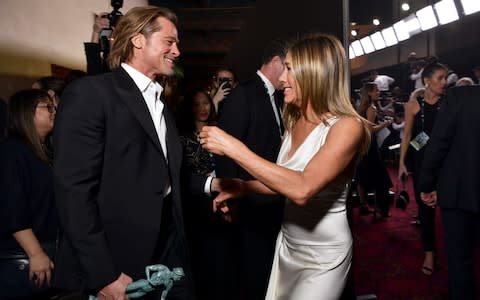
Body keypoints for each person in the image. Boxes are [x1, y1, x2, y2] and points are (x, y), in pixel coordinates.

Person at [53, 6, 220, 299]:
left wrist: (214, 185)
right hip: (116, 262)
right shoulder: (91, 93)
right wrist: (103, 274)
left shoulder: (161, 105)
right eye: (169, 41)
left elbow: (164, 176)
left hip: (167, 252)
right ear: (137, 40)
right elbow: (74, 192)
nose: (177, 51)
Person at [200, 33, 370, 300]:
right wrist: (242, 187)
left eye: (289, 69)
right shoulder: (294, 119)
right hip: (288, 245)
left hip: (324, 257)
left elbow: (302, 187)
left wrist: (234, 148)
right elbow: (284, 182)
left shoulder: (347, 126)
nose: (281, 78)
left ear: (312, 71)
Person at [213, 38, 288, 300]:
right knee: (253, 269)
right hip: (250, 200)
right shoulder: (244, 93)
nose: (290, 74)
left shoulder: (277, 97)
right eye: (288, 66)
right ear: (276, 62)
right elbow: (224, 152)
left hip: (271, 197)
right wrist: (229, 197)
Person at [419, 85, 480, 300]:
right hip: (458, 191)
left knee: (460, 262)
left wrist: (426, 185)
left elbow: (438, 144)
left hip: (459, 194)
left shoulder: (461, 96)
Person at [0, 89, 58, 299]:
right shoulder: (11, 150)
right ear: (27, 112)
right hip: (23, 257)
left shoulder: (43, 151)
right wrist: (36, 253)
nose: (54, 111)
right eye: (48, 107)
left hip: (45, 250)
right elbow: (12, 208)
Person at [398, 62, 448, 276]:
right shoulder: (414, 105)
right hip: (421, 162)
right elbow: (408, 136)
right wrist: (402, 162)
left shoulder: (449, 103)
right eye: (440, 78)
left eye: (446, 78)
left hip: (446, 163)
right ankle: (429, 252)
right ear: (427, 80)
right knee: (425, 210)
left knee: (449, 208)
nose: (445, 82)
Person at [355, 82, 393, 217]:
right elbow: (370, 130)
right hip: (370, 146)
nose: (379, 92)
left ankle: (364, 205)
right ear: (370, 92)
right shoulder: (371, 108)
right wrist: (385, 124)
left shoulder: (362, 107)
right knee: (380, 178)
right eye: (376, 90)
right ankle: (379, 208)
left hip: (362, 145)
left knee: (361, 176)